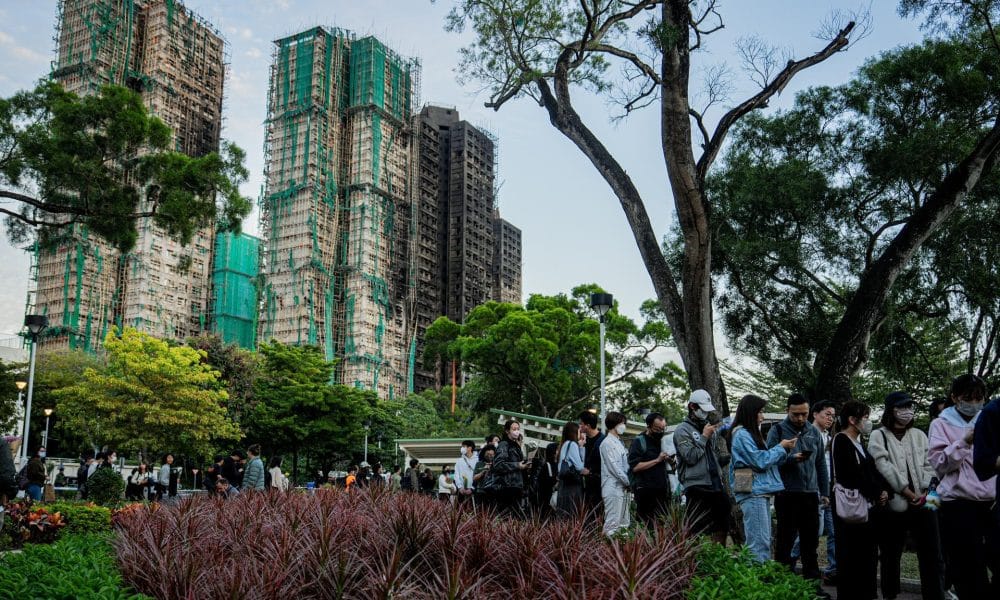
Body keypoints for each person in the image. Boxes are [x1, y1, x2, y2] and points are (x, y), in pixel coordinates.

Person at [869, 391, 945, 600]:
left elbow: (931, 466)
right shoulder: (879, 435)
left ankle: (936, 594)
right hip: (896, 502)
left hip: (928, 498)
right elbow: (883, 465)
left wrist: (925, 492)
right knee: (891, 553)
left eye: (910, 407)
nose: (907, 412)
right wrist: (907, 491)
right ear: (891, 410)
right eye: (902, 408)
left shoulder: (920, 435)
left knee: (933, 552)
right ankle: (890, 594)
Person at [929, 374, 998, 599]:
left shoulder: (989, 419)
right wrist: (964, 442)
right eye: (968, 397)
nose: (974, 402)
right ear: (955, 398)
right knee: (968, 565)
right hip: (957, 502)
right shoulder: (941, 423)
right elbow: (939, 464)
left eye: (979, 397)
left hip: (991, 499)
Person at [766, 393, 829, 582]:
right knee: (785, 542)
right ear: (787, 411)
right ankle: (782, 584)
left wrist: (824, 492)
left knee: (810, 544)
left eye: (804, 413)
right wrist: (790, 459)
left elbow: (820, 464)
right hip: (787, 495)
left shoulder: (813, 431)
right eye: (796, 414)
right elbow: (768, 461)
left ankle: (812, 585)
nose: (800, 418)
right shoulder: (776, 431)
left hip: (810, 494)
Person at [831, 400, 891, 600]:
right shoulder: (841, 440)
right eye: (865, 418)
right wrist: (876, 492)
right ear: (852, 419)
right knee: (851, 557)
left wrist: (883, 490)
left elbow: (871, 471)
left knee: (867, 556)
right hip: (853, 509)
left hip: (867, 508)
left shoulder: (858, 442)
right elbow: (852, 474)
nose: (868, 422)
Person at [729, 394, 796, 563]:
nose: (762, 416)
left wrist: (786, 453)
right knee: (758, 544)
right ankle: (755, 584)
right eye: (760, 412)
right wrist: (781, 447)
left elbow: (763, 459)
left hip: (757, 491)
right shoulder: (742, 435)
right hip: (753, 492)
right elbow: (760, 461)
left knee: (762, 541)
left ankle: (758, 581)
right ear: (751, 413)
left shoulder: (748, 434)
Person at [675, 389, 730, 544]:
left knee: (723, 518)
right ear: (692, 406)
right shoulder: (682, 430)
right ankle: (694, 559)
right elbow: (690, 457)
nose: (705, 414)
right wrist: (704, 437)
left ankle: (718, 554)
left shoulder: (706, 426)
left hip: (714, 482)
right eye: (702, 409)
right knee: (696, 526)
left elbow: (709, 456)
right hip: (696, 485)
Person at [628, 412, 674, 529]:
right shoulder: (639, 441)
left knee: (662, 525)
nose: (661, 432)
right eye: (657, 429)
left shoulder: (663, 441)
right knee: (647, 526)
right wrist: (657, 460)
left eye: (663, 428)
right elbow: (635, 467)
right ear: (648, 426)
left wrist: (669, 460)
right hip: (645, 491)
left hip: (662, 490)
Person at [599, 411, 631, 536]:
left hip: (622, 488)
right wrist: (629, 481)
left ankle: (622, 551)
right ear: (614, 424)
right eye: (622, 423)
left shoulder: (619, 442)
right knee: (612, 523)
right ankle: (607, 552)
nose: (624, 426)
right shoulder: (606, 443)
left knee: (624, 523)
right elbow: (615, 468)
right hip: (612, 487)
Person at [491, 420, 531, 517]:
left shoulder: (515, 445)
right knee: (508, 517)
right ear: (507, 431)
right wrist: (518, 465)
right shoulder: (504, 444)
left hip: (516, 486)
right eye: (514, 429)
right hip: (506, 488)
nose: (517, 431)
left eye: (518, 429)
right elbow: (498, 465)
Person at [555, 421, 586, 517]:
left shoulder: (564, 444)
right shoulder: (572, 444)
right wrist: (581, 447)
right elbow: (580, 467)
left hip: (564, 485)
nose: (580, 434)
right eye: (579, 431)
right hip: (572, 486)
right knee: (572, 514)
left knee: (563, 514)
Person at [578, 411, 605, 516]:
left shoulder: (603, 441)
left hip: (598, 486)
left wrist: (590, 472)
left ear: (587, 426)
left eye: (581, 424)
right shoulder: (583, 441)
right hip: (585, 487)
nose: (579, 426)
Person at [454, 440, 478, 507]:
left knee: (474, 509)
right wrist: (460, 487)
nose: (462, 448)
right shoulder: (459, 461)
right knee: (460, 511)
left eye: (464, 446)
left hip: (474, 491)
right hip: (461, 491)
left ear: (470, 448)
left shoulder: (477, 460)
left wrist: (472, 488)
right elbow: (456, 475)